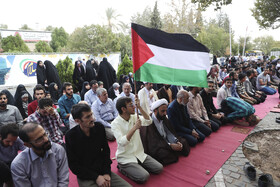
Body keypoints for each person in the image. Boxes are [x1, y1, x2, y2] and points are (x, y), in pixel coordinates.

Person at [66, 103, 131, 187]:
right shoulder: (71, 136)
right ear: (77, 121)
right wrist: (96, 177)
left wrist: (106, 173)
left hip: (102, 170)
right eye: (87, 117)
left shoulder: (99, 127)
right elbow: (74, 165)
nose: (92, 118)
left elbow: (106, 152)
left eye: (91, 114)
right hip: (85, 175)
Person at [111, 97, 163, 183]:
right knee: (144, 176)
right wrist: (134, 128)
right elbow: (122, 142)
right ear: (123, 109)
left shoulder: (134, 116)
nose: (134, 107)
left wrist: (140, 107)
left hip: (139, 153)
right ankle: (121, 167)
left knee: (159, 168)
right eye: (131, 105)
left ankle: (137, 166)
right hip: (126, 157)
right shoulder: (115, 124)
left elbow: (149, 121)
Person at [11, 123, 69, 187]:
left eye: (45, 134)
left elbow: (63, 180)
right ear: (28, 145)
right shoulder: (19, 164)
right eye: (39, 139)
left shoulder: (58, 150)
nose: (46, 139)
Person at [140, 99, 190, 165]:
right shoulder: (149, 123)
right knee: (162, 154)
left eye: (166, 111)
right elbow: (154, 142)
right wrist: (170, 145)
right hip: (159, 145)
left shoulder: (163, 117)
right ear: (155, 111)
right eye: (163, 111)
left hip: (166, 141)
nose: (165, 113)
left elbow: (169, 132)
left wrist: (176, 141)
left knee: (183, 142)